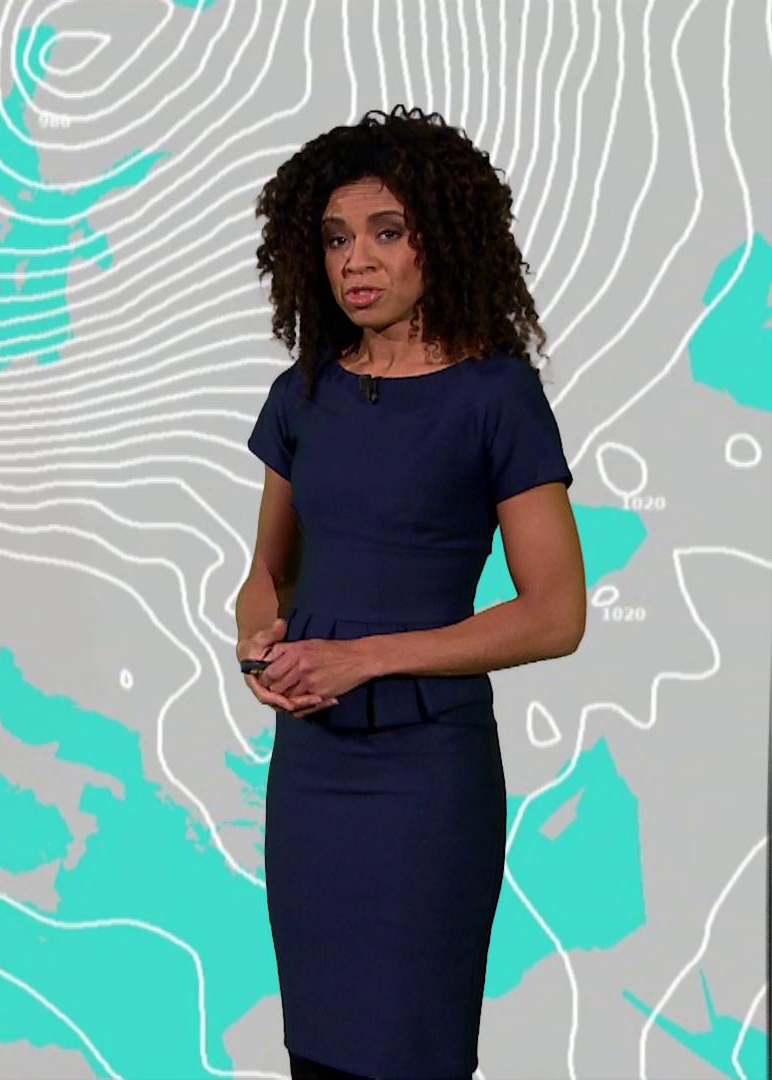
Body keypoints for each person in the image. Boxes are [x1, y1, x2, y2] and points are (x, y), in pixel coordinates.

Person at [236, 106, 588, 1078]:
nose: (356, 260)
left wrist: (365, 658)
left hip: (428, 775)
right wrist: (258, 644)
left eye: (386, 232)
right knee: (320, 1053)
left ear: (443, 237)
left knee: (412, 1052)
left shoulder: (496, 396)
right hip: (311, 773)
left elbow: (556, 613)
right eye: (336, 238)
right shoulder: (303, 394)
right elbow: (269, 574)